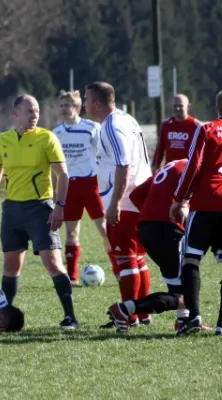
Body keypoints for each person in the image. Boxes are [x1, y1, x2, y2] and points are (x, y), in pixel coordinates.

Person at [0, 94, 78, 330]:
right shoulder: (3, 141)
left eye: (37, 111)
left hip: (41, 208)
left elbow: (63, 175)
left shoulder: (47, 138)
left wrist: (59, 206)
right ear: (15, 113)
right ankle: (5, 318)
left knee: (53, 264)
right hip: (12, 210)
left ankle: (70, 316)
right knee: (10, 266)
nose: (34, 115)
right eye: (29, 111)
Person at [170, 89, 222, 337]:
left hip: (206, 202)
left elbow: (193, 165)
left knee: (192, 258)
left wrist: (179, 198)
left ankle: (194, 316)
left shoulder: (207, 129)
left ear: (216, 109)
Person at [107, 159, 206, 333]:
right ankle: (124, 309)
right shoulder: (195, 168)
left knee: (179, 284)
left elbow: (137, 194)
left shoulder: (172, 165)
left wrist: (151, 212)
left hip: (146, 227)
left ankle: (183, 321)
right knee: (182, 295)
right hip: (167, 229)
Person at [83, 82, 152, 327]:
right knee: (138, 258)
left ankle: (127, 317)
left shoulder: (111, 126)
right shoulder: (126, 118)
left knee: (126, 259)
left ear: (97, 104)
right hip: (139, 196)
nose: (84, 103)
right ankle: (143, 313)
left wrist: (114, 204)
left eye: (86, 99)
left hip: (125, 200)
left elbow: (124, 166)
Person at [52, 90, 109, 286]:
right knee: (71, 232)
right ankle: (72, 276)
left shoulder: (92, 128)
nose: (63, 109)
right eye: (61, 105)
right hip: (69, 187)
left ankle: (120, 268)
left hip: (90, 184)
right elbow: (54, 165)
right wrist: (55, 189)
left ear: (77, 107)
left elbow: (104, 154)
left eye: (67, 105)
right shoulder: (56, 133)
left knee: (104, 229)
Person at [152, 94, 202, 171]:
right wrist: (155, 167)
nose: (177, 108)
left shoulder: (197, 126)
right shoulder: (166, 125)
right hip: (170, 170)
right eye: (175, 106)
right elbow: (160, 149)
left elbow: (202, 152)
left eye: (180, 106)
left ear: (188, 106)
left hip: (188, 171)